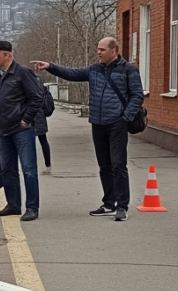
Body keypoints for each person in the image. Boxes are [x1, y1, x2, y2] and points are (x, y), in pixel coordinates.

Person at [32, 37, 142, 222]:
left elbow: (137, 95)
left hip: (117, 123)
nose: (98, 52)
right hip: (98, 123)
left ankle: (122, 206)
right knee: (104, 166)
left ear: (114, 51)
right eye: (98, 49)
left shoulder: (128, 70)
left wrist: (125, 118)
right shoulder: (95, 69)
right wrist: (50, 66)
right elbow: (72, 73)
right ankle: (109, 203)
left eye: (102, 50)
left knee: (118, 165)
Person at [0, 40, 43, 221]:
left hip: (22, 130)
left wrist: (26, 119)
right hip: (3, 131)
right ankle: (13, 204)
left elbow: (37, 97)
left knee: (28, 169)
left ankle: (32, 207)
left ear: (7, 55)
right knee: (7, 169)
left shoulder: (22, 72)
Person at [34, 76, 53, 175]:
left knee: (29, 143)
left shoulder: (29, 88)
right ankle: (48, 165)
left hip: (30, 118)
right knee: (43, 141)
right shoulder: (43, 89)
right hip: (41, 117)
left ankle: (31, 167)